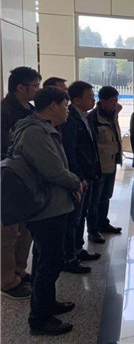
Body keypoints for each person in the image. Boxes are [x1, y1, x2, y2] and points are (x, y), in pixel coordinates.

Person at [10, 86, 82, 335]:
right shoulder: (34, 133)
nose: (67, 111)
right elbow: (54, 171)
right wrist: (76, 182)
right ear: (53, 106)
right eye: (65, 105)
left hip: (52, 206)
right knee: (49, 263)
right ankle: (40, 319)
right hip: (46, 209)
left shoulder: (43, 129)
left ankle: (47, 304)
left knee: (45, 260)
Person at [1, 66, 41, 300]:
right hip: (10, 180)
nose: (37, 90)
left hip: (30, 180)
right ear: (20, 87)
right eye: (34, 86)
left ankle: (19, 269)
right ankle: (7, 280)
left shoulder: (31, 110)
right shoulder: (4, 111)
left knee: (26, 229)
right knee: (9, 232)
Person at [60, 81, 102, 274]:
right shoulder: (70, 120)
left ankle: (78, 249)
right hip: (80, 177)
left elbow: (91, 147)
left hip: (90, 174)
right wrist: (80, 177)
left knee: (82, 215)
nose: (93, 100)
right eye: (89, 97)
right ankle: (69, 257)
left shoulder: (86, 117)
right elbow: (70, 153)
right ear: (76, 100)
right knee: (73, 219)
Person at [88, 86, 123, 243]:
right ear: (102, 101)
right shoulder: (93, 118)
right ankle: (93, 230)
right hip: (99, 166)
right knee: (95, 199)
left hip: (111, 163)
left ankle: (103, 223)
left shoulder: (112, 114)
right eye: (111, 101)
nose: (115, 103)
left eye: (116, 100)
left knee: (106, 196)